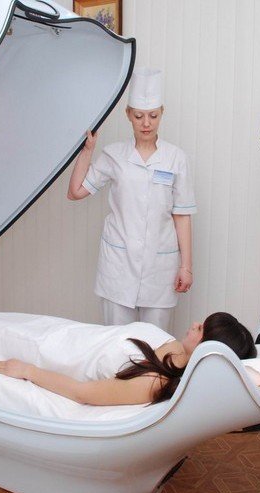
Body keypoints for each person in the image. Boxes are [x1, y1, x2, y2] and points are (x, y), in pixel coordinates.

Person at [0, 309, 255, 406]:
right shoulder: (176, 351)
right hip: (69, 333)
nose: (195, 324)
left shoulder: (153, 382)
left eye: (202, 329)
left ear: (206, 350)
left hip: (56, 354)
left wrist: (27, 370)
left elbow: (84, 394)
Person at [66, 68, 196, 332]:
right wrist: (88, 151)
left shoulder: (176, 158)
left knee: (155, 344)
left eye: (153, 116)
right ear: (128, 115)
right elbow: (76, 192)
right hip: (118, 268)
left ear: (162, 113)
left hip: (160, 268)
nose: (146, 123)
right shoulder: (114, 155)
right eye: (139, 116)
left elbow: (181, 215)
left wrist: (186, 266)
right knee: (117, 343)